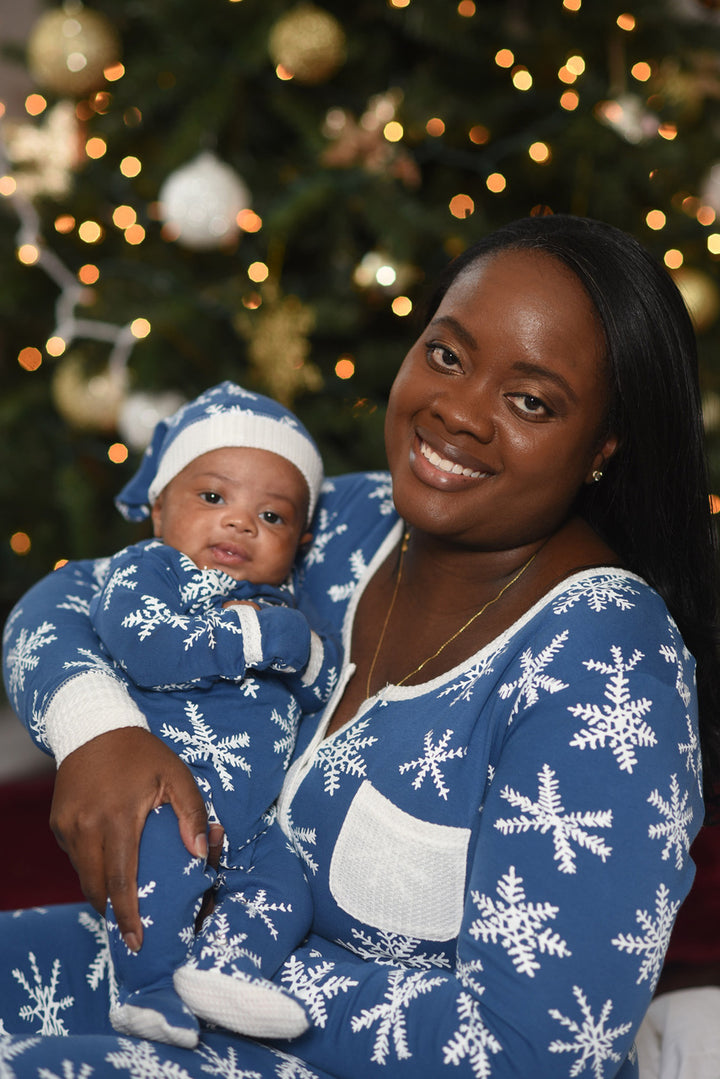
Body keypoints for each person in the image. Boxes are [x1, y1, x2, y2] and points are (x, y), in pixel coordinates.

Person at [2, 213, 719, 1079]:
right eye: (447, 354)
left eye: (530, 401)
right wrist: (95, 726)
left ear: (603, 446)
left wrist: (226, 963)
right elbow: (70, 597)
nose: (457, 412)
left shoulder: (611, 675)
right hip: (171, 977)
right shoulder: (333, 525)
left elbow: (538, 1053)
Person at [12, 381, 343, 1050]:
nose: (240, 522)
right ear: (160, 510)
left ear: (300, 541)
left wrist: (309, 659)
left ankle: (228, 972)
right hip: (167, 790)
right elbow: (150, 648)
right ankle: (151, 987)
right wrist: (248, 639)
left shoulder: (284, 608)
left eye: (272, 517)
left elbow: (322, 694)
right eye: (213, 497)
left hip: (255, 820)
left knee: (288, 889)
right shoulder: (152, 571)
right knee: (157, 873)